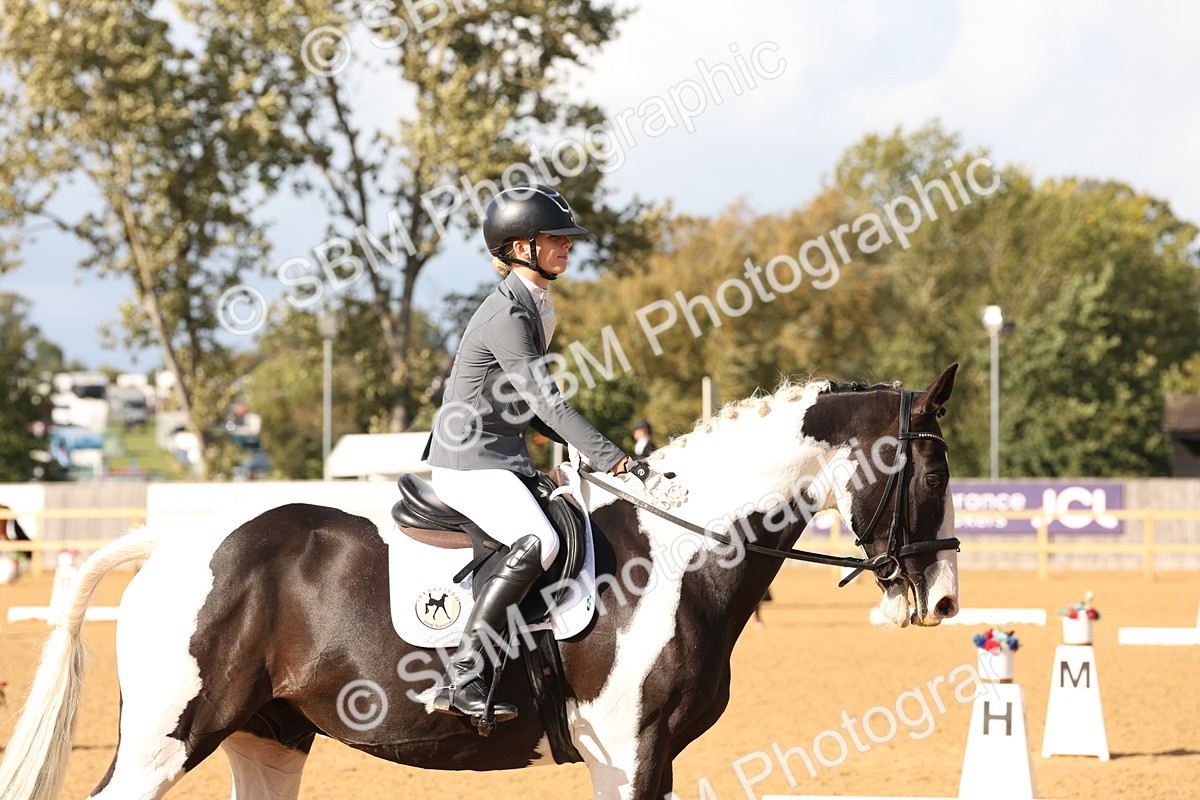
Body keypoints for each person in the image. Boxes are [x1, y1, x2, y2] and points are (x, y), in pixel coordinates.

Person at [422, 183, 685, 725]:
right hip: (467, 460)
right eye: (556, 238)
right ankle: (465, 674)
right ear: (521, 247)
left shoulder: (537, 306)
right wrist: (614, 457)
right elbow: (547, 401)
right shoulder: (507, 315)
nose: (568, 246)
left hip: (499, 456)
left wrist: (587, 453)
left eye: (567, 238)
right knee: (538, 540)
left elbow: (535, 408)